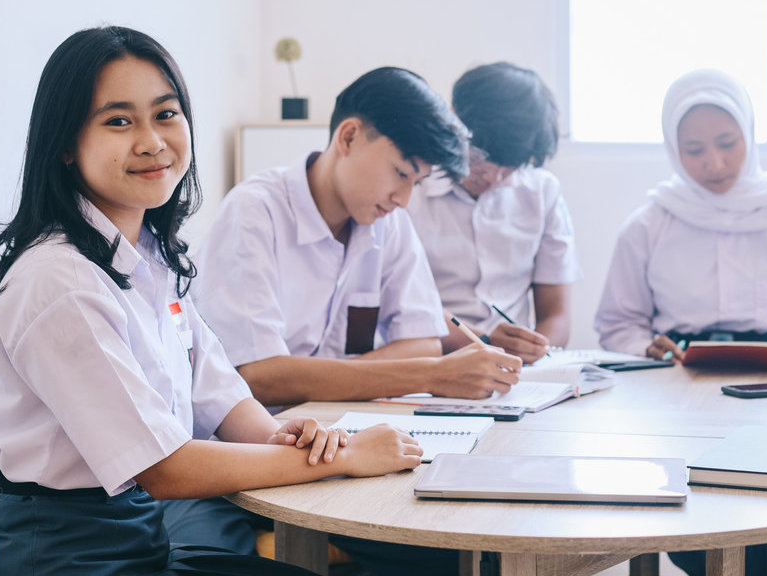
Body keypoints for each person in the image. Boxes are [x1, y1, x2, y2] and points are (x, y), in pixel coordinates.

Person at [0, 26, 422, 576]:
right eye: (118, 121)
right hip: (68, 555)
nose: (152, 141)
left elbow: (222, 397)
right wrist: (344, 457)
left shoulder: (152, 257)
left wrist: (288, 437)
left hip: (140, 537)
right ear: (65, 143)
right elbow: (164, 468)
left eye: (166, 114)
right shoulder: (57, 280)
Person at [189, 66, 520, 576]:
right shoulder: (255, 213)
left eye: (418, 181)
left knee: (465, 550)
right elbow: (257, 377)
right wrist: (426, 377)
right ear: (348, 136)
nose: (404, 197)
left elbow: (420, 343)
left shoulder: (389, 225)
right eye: (401, 172)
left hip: (340, 448)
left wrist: (322, 375)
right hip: (246, 456)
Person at [594, 69, 767, 576]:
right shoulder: (649, 224)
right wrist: (650, 350)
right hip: (680, 391)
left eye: (727, 143)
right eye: (693, 149)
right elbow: (617, 323)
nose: (714, 163)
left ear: (749, 134)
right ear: (672, 146)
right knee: (707, 518)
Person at [408, 62, 581, 365]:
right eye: (481, 158)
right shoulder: (409, 187)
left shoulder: (541, 191)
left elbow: (556, 314)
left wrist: (537, 350)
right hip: (432, 359)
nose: (492, 177)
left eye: (510, 166)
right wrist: (485, 344)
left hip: (517, 370)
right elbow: (402, 308)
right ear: (452, 118)